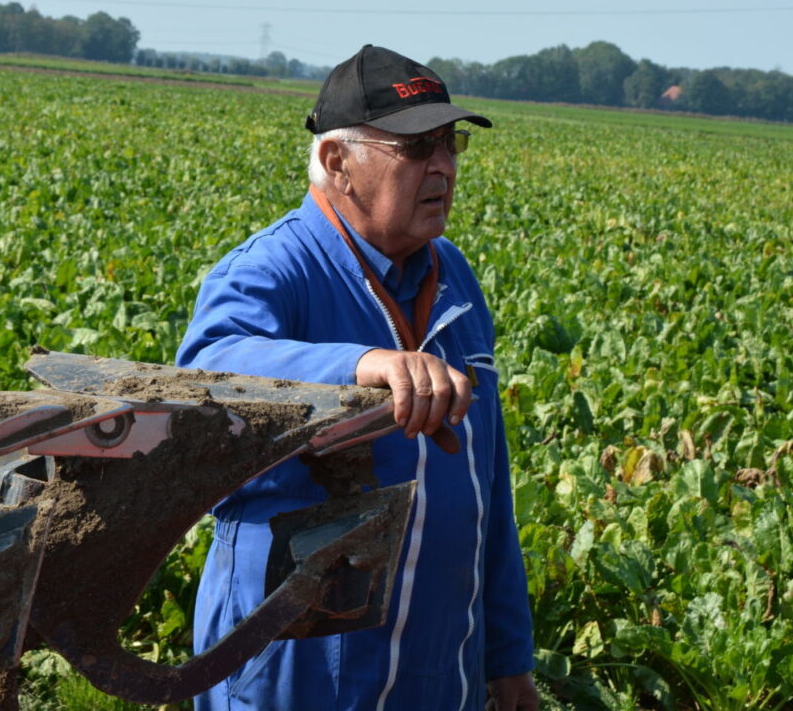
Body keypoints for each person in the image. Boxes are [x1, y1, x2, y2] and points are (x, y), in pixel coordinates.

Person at [176, 44, 539, 711]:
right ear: (338, 162)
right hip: (297, 668)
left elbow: (489, 486)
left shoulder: (452, 274)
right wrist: (357, 365)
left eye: (451, 144)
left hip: (438, 670)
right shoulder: (277, 268)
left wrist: (508, 656)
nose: (443, 167)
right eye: (415, 148)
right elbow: (204, 368)